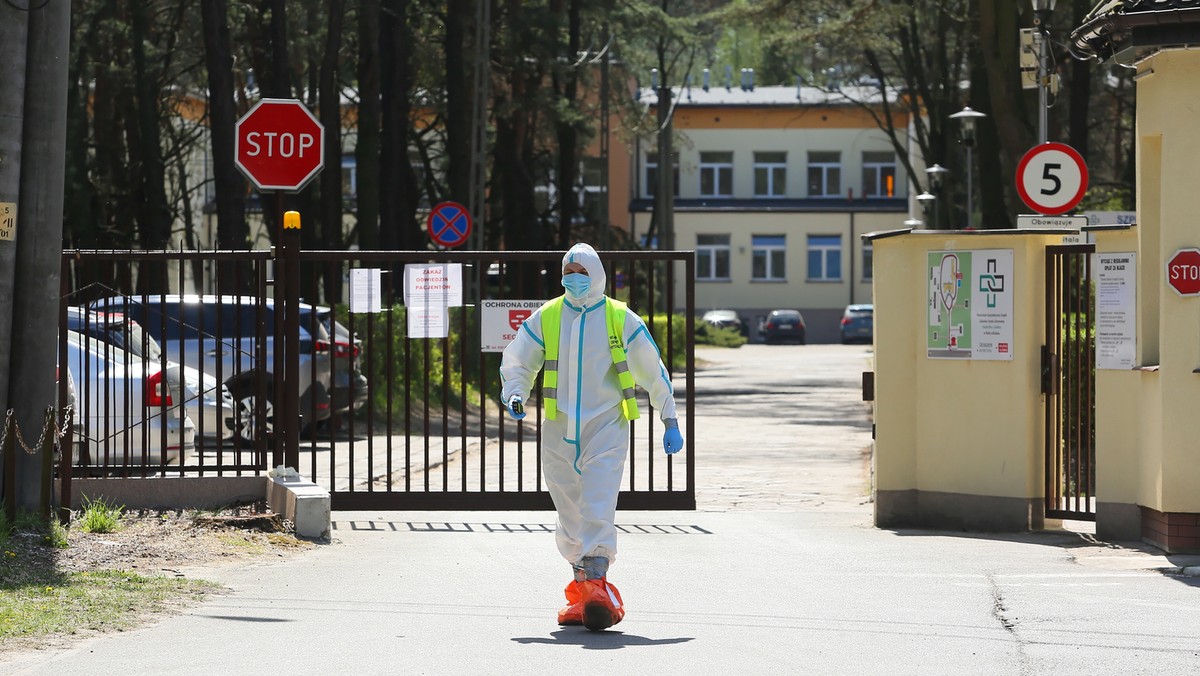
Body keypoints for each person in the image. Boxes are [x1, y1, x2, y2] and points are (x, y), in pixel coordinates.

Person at [500, 242, 684, 631]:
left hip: (606, 424)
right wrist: (515, 392)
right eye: (568, 272)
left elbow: (653, 369)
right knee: (568, 510)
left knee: (598, 503)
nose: (573, 279)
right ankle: (584, 592)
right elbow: (518, 360)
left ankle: (597, 584)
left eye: (581, 273)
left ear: (596, 275)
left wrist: (669, 417)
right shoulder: (548, 316)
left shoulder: (620, 318)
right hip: (558, 426)